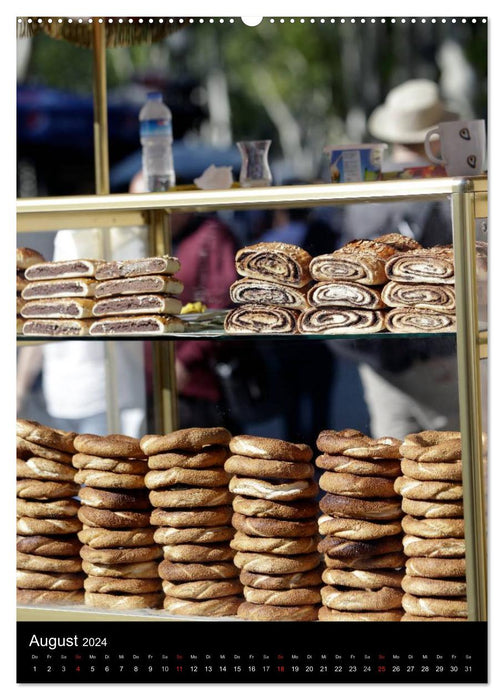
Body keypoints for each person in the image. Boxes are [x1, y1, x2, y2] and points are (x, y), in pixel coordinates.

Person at [335, 79, 464, 439]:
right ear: (434, 137)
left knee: (391, 463)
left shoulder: (363, 186)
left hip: (376, 355)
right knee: (452, 466)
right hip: (439, 353)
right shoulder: (447, 188)